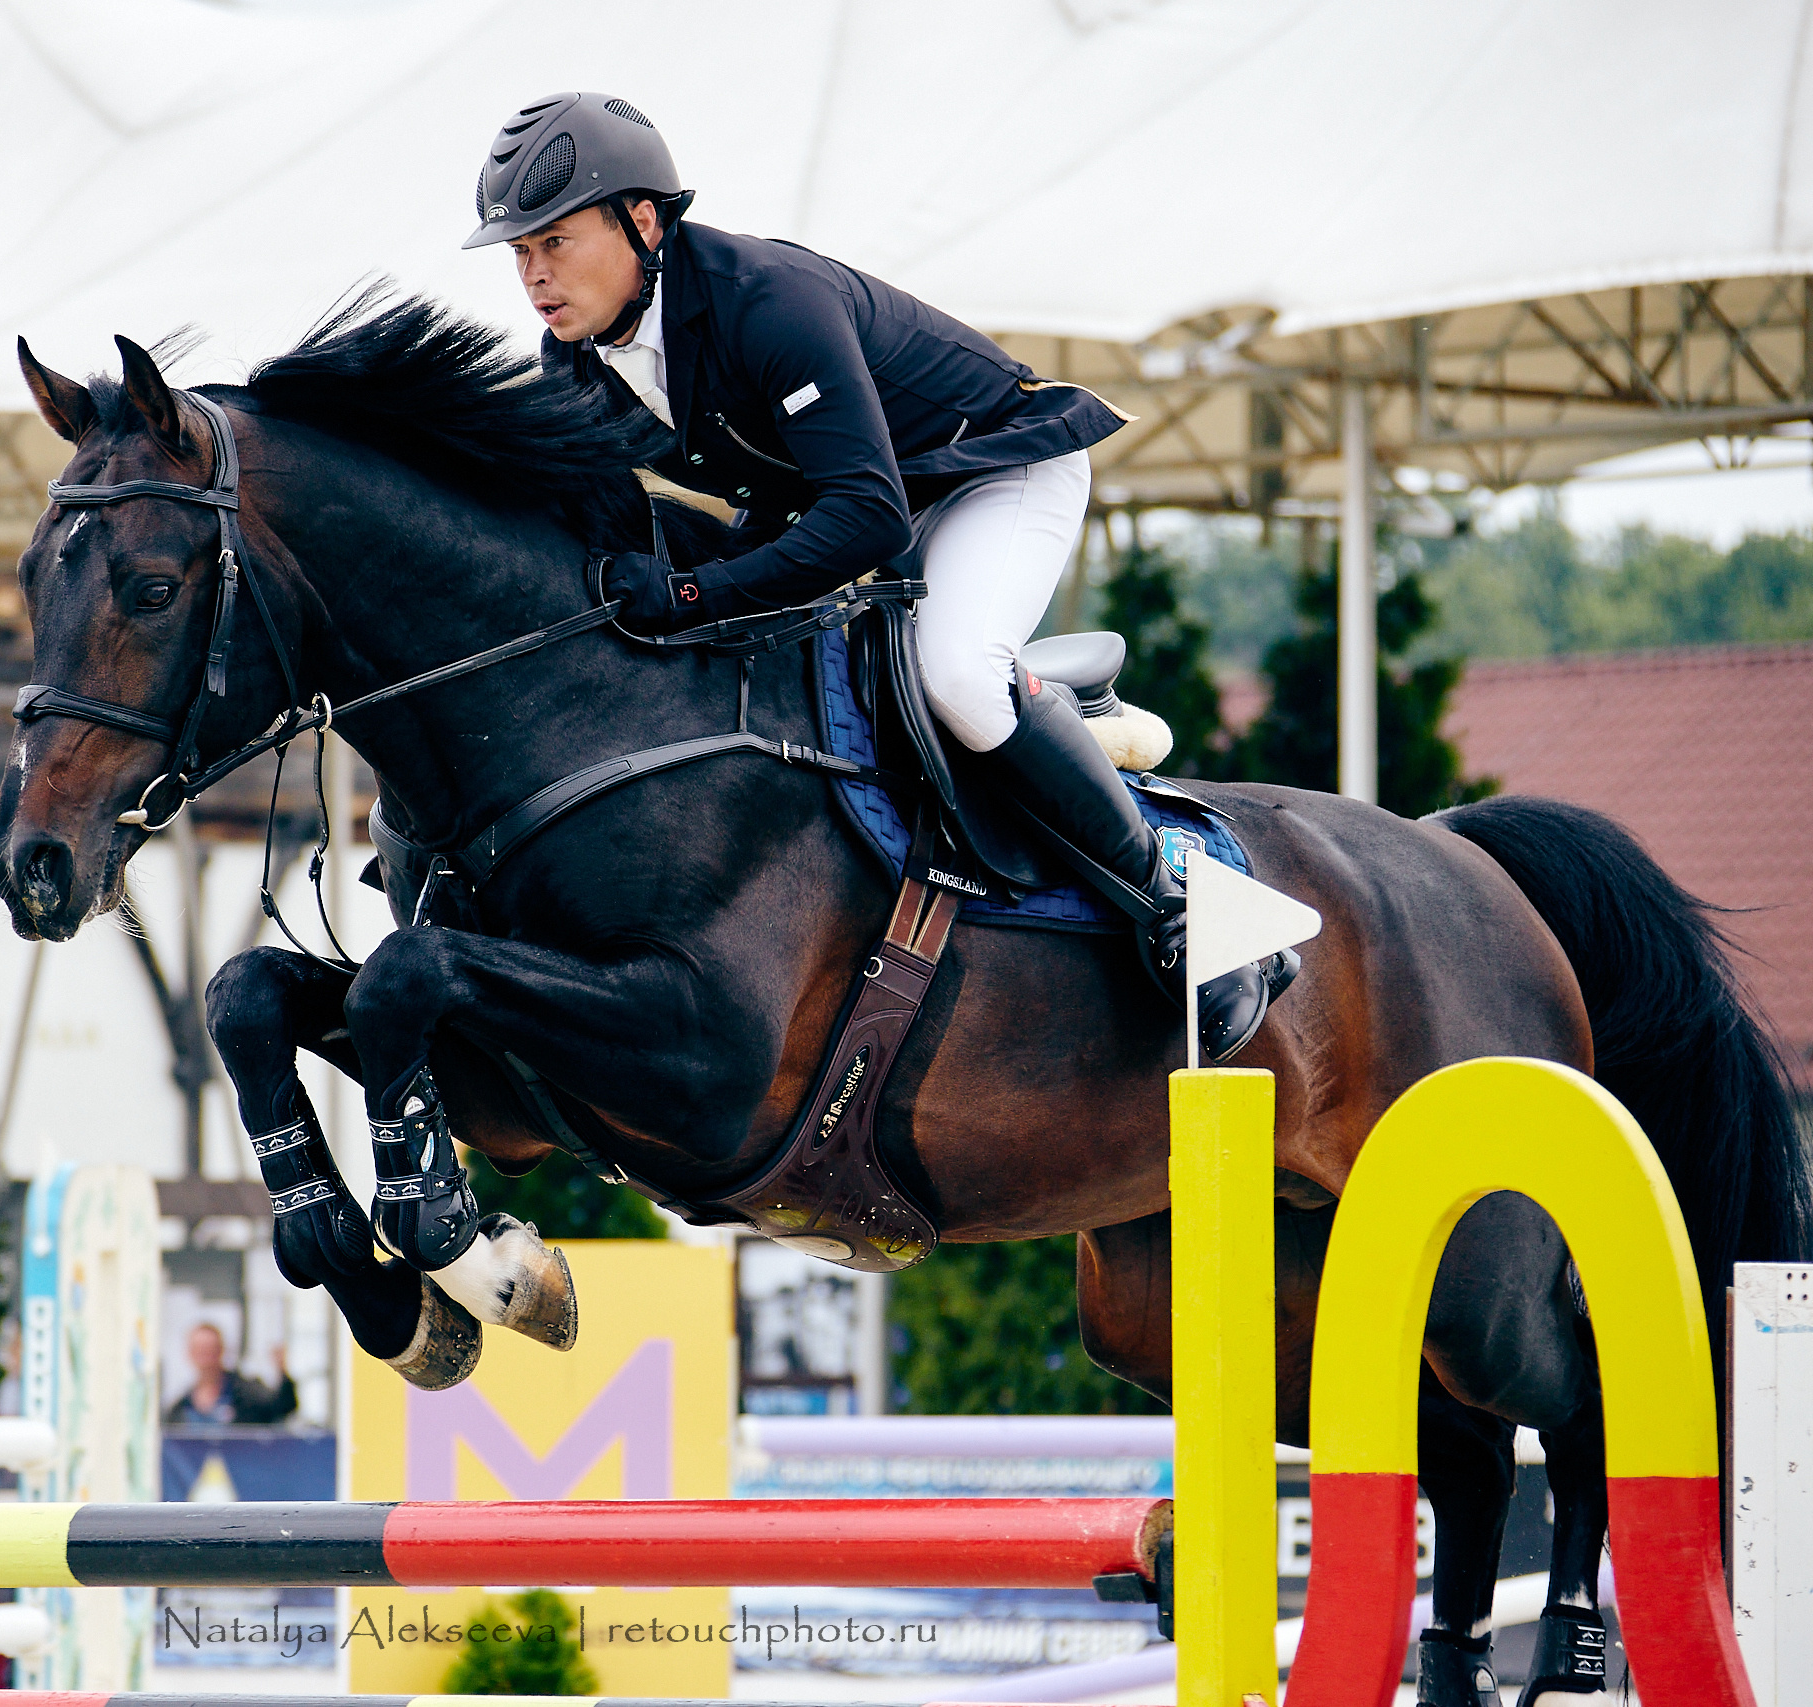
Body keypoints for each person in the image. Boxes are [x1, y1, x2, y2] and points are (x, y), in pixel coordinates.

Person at [466, 93, 1284, 1060]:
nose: (533, 275)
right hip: (850, 496)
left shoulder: (766, 301)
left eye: (553, 242)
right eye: (519, 254)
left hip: (990, 471)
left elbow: (868, 516)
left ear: (642, 222)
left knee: (961, 680)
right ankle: (1055, 709)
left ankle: (1176, 900)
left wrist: (690, 594)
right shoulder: (577, 361)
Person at [165, 1321, 297, 1428]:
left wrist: (283, 1373)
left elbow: (282, 1407)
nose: (206, 1357)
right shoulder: (180, 1408)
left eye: (210, 1349)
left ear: (221, 1350)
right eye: (200, 1350)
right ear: (190, 1353)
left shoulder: (247, 1394)